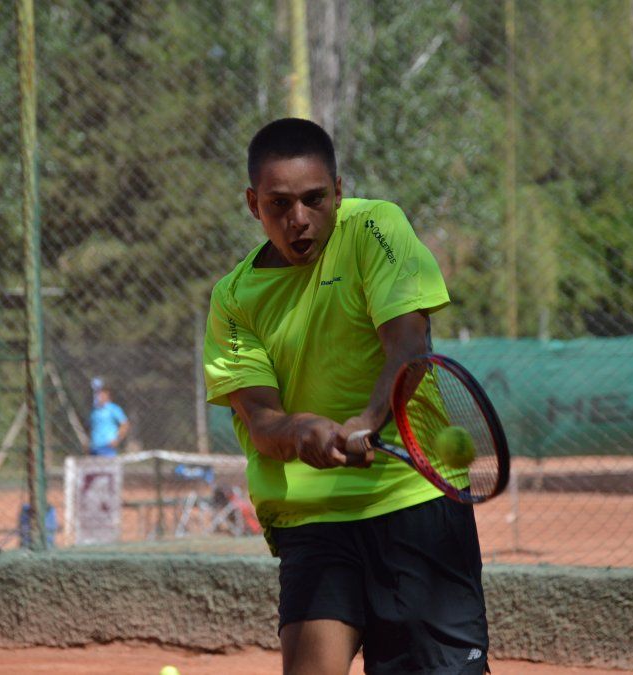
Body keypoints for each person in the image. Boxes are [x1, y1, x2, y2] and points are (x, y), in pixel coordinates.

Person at [203, 118, 488, 674]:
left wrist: (368, 419)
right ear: (253, 204)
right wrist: (301, 430)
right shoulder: (233, 299)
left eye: (314, 199)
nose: (299, 219)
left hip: (414, 500)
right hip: (313, 522)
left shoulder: (374, 228)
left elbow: (408, 343)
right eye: (279, 204)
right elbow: (260, 420)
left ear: (338, 191)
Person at [88, 385, 130, 457]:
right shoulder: (94, 410)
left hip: (108, 446)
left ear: (107, 396)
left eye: (102, 395)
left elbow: (125, 424)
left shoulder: (113, 408)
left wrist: (117, 440)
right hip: (94, 446)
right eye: (98, 395)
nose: (99, 397)